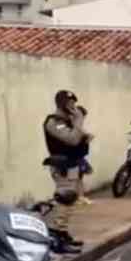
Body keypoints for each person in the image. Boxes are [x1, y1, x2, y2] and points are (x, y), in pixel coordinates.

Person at [43, 90, 93, 252]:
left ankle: (62, 233)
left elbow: (78, 138)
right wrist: (78, 120)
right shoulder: (54, 122)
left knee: (69, 202)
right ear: (62, 104)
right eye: (70, 103)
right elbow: (71, 139)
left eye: (74, 103)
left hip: (72, 165)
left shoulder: (67, 121)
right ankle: (57, 239)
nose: (74, 106)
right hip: (62, 167)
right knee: (64, 202)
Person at [74, 105, 94, 206]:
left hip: (79, 155)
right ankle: (79, 197)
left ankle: (80, 197)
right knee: (77, 178)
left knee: (79, 177)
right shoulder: (74, 126)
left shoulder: (78, 127)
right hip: (75, 156)